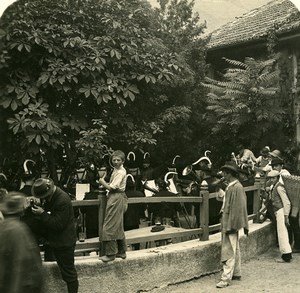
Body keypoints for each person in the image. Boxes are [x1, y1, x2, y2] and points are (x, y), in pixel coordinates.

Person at [31, 178, 79, 293]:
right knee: (67, 273)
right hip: (58, 241)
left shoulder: (62, 200)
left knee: (69, 275)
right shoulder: (53, 196)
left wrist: (42, 213)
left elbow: (58, 224)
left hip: (64, 242)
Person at [0, 192, 44, 293]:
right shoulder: (19, 230)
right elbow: (22, 263)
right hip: (17, 286)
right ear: (21, 210)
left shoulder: (3, 227)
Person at [216, 161, 249, 289]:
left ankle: (225, 278)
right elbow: (226, 201)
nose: (223, 174)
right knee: (235, 247)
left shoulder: (237, 187)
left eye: (224, 172)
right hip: (227, 219)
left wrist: (232, 224)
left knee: (228, 249)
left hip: (230, 221)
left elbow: (239, 207)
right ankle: (236, 272)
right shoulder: (231, 186)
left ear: (229, 173)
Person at [98, 150, 128, 262]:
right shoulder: (117, 170)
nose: (115, 162)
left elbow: (112, 188)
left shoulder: (120, 172)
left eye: (118, 160)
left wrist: (102, 182)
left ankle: (110, 254)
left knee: (109, 226)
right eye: (114, 160)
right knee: (117, 225)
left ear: (123, 161)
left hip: (116, 197)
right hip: (116, 197)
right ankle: (122, 251)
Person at [267, 170, 292, 263]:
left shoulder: (279, 187)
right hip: (278, 211)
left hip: (281, 211)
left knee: (282, 233)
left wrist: (286, 215)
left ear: (277, 178)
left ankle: (286, 255)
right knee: (281, 232)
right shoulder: (274, 187)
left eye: (273, 178)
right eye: (270, 178)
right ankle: (286, 254)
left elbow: (286, 202)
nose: (271, 180)